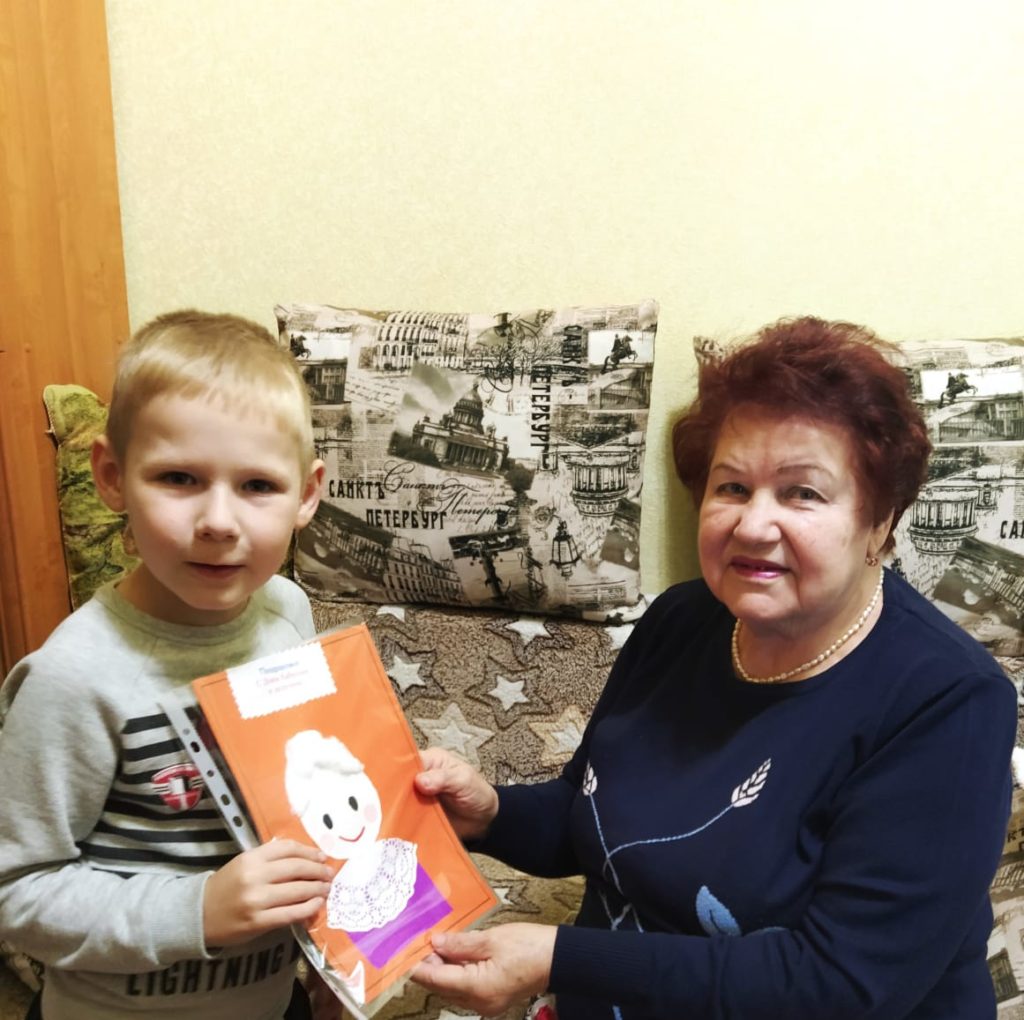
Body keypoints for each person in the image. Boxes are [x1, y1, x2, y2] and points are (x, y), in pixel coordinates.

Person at [412, 316, 1018, 1019]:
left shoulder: (949, 702)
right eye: (732, 487)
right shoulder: (684, 619)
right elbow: (593, 815)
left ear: (879, 522)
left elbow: (841, 986)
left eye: (802, 493)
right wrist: (489, 813)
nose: (753, 525)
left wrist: (558, 958)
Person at [0, 310, 338, 1020]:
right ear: (112, 477)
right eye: (179, 478)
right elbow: (16, 892)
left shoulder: (289, 614)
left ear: (307, 494)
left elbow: (309, 794)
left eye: (258, 486)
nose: (218, 521)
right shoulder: (73, 679)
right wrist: (197, 909)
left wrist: (336, 957)